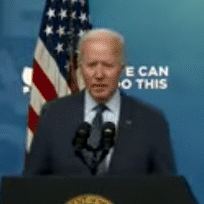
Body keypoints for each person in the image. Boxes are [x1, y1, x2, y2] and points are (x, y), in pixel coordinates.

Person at [24, 28, 177, 176]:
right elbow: (32, 183)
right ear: (80, 67)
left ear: (122, 68)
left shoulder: (150, 120)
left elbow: (166, 190)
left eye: (108, 65)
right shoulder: (53, 115)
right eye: (91, 65)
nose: (99, 75)